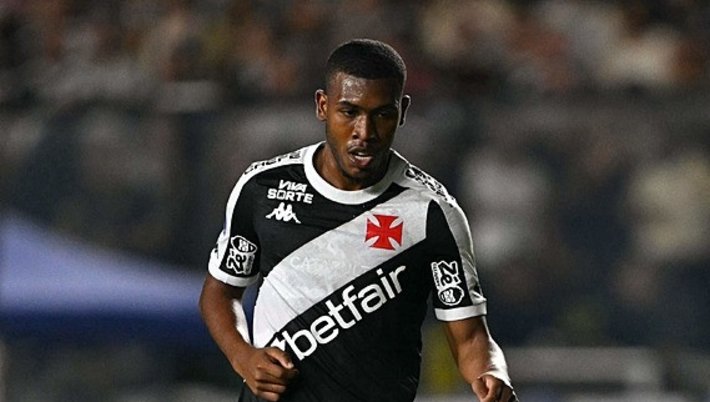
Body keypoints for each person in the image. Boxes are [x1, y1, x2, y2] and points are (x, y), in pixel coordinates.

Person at [199, 38, 518, 402]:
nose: (364, 133)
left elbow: (471, 338)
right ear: (323, 105)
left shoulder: (432, 213)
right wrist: (243, 356)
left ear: (403, 111)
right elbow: (219, 293)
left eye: (381, 114)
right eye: (349, 112)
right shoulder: (262, 188)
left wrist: (493, 373)